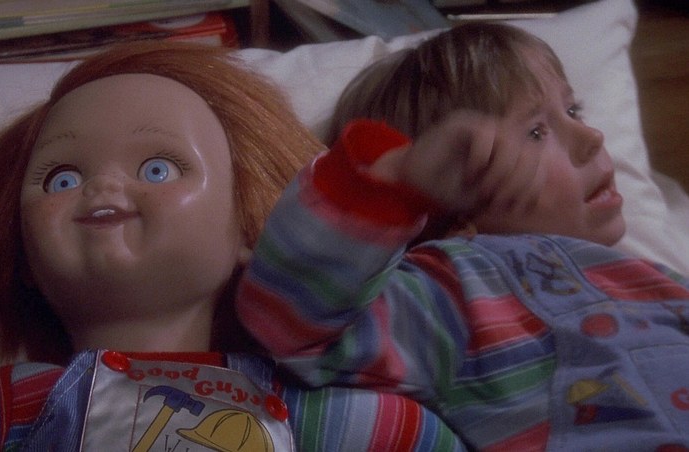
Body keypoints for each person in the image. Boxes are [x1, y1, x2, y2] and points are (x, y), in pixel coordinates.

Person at [0, 41, 466, 451]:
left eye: (158, 168)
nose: (101, 186)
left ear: (250, 227)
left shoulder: (303, 410)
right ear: (23, 259)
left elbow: (413, 433)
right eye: (60, 179)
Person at [236, 23, 689, 451]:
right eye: (535, 132)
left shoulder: (651, 277)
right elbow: (292, 321)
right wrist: (398, 178)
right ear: (453, 208)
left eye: (573, 110)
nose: (592, 137)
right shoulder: (458, 284)